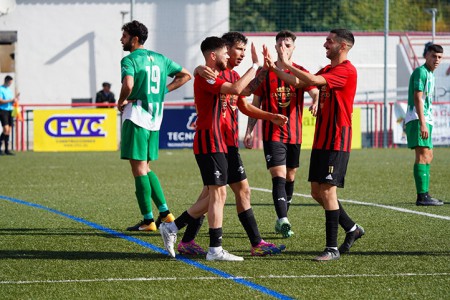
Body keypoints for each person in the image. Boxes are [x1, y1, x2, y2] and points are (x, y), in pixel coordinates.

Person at [160, 36, 287, 261]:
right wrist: (255, 66)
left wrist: (270, 115)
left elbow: (244, 98)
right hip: (211, 142)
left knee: (235, 191)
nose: (239, 54)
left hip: (227, 144)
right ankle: (199, 242)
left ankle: (252, 243)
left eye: (243, 51)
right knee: (215, 193)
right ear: (222, 50)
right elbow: (238, 88)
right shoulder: (207, 74)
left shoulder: (232, 74)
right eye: (237, 50)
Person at [271, 29, 364, 261]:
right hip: (322, 140)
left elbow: (311, 80)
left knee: (327, 191)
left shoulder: (346, 70)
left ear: (342, 46)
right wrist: (274, 68)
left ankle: (331, 248)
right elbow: (299, 82)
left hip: (337, 139)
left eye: (329, 41)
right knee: (316, 192)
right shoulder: (328, 70)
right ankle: (352, 229)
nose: (325, 44)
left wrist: (284, 62)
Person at [117, 20, 192, 232]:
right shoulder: (160, 59)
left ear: (135, 39)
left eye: (124, 36)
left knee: (138, 169)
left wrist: (121, 101)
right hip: (155, 118)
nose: (121, 39)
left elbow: (128, 84)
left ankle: (148, 219)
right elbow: (186, 75)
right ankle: (165, 213)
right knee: (146, 167)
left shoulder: (129, 59)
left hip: (137, 116)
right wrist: (162, 91)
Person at [244, 30, 319, 238]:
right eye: (280, 44)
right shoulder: (266, 73)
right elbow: (255, 103)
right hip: (272, 134)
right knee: (279, 175)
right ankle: (285, 219)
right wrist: (249, 131)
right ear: (275, 47)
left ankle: (281, 218)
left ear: (293, 48)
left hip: (295, 135)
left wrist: (315, 101)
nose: (284, 48)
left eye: (288, 45)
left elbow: (314, 90)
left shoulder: (300, 71)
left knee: (291, 176)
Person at [405, 44, 444, 206]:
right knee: (422, 155)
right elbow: (417, 98)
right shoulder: (421, 72)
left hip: (425, 118)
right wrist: (422, 123)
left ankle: (425, 194)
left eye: (440, 57)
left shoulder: (430, 74)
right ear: (426, 55)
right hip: (418, 118)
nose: (436, 60)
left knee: (429, 155)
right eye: (434, 56)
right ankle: (422, 196)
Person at [0, 75, 19, 156]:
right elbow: (1, 101)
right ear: (6, 81)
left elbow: (10, 101)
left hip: (10, 110)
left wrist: (14, 101)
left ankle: (7, 150)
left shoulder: (9, 90)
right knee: (5, 129)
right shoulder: (1, 89)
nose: (10, 84)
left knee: (9, 131)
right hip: (2, 110)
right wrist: (11, 100)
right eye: (10, 82)